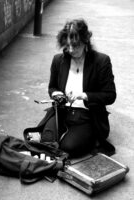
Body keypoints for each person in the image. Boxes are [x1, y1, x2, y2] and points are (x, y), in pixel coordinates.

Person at [41, 19, 116, 158]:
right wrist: (56, 93)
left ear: (85, 41)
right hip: (63, 111)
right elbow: (52, 87)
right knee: (46, 142)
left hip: (87, 115)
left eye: (75, 46)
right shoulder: (58, 60)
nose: (70, 50)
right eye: (67, 45)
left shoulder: (101, 61)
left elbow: (110, 95)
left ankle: (92, 137)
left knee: (69, 148)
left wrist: (85, 96)